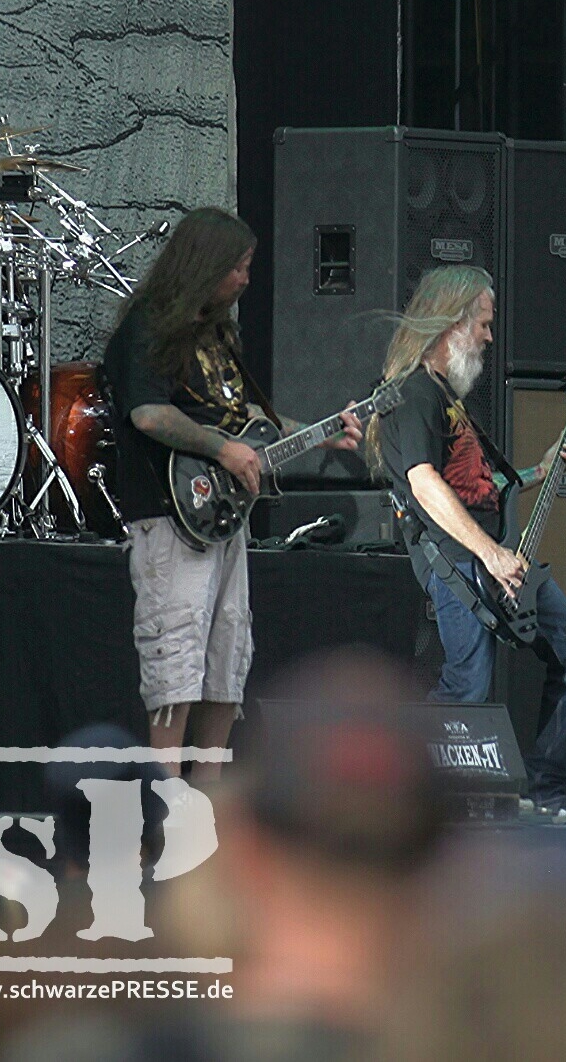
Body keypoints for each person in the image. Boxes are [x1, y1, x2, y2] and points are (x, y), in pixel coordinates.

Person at [102, 206, 361, 779]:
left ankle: (210, 791)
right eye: (237, 266)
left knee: (227, 655)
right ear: (205, 265)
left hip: (220, 518)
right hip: (170, 516)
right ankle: (167, 796)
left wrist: (319, 434)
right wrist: (222, 451)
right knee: (174, 656)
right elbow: (148, 414)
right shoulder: (147, 329)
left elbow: (246, 423)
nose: (245, 279)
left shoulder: (218, 334)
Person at [367, 264, 566, 818]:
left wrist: (538, 470)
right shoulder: (413, 393)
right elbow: (424, 483)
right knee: (466, 687)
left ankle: (543, 791)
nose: (491, 337)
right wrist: (489, 553)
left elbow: (475, 484)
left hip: (501, 557)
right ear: (452, 323)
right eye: (484, 324)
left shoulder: (447, 397)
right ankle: (392, 786)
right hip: (460, 563)